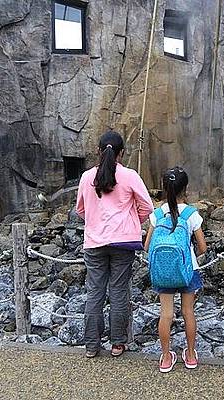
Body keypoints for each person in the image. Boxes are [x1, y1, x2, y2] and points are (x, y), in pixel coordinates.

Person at [76, 131, 154, 358]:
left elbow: (80, 210)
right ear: (122, 153)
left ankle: (92, 345)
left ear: (98, 152)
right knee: (119, 291)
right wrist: (131, 222)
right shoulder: (130, 176)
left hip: (94, 242)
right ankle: (118, 344)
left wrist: (95, 221)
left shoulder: (86, 177)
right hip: (123, 242)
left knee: (95, 292)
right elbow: (147, 207)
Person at [144, 167, 207, 373]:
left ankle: (165, 358)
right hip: (188, 270)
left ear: (164, 188)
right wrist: (192, 256)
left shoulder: (157, 213)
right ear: (185, 188)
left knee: (166, 314)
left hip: (163, 271)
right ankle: (189, 355)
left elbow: (147, 246)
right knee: (188, 312)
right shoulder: (191, 213)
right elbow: (203, 246)